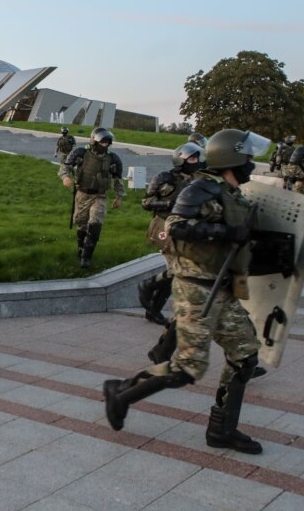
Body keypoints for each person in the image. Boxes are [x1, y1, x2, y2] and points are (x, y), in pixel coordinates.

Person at [103, 128, 270, 455]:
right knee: (187, 368)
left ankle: (222, 430)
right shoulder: (201, 188)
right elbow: (176, 227)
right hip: (197, 288)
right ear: (232, 158)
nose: (252, 163)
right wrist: (226, 232)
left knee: (245, 355)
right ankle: (121, 393)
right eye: (247, 156)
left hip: (222, 287)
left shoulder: (231, 192)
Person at [138, 142, 205, 326]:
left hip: (185, 228)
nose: (196, 161)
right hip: (164, 226)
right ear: (181, 159)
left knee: (176, 270)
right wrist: (169, 205)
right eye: (192, 158)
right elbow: (146, 202)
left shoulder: (198, 179)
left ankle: (153, 306)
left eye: (197, 158)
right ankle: (150, 292)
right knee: (177, 269)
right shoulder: (164, 178)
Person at [58, 127, 126, 267]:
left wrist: (119, 196)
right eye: (103, 142)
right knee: (81, 224)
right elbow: (65, 167)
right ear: (95, 141)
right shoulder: (81, 153)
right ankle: (81, 251)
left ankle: (86, 257)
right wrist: (65, 177)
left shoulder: (113, 159)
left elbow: (118, 179)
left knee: (95, 222)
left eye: (108, 142)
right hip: (82, 194)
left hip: (99, 195)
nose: (105, 144)